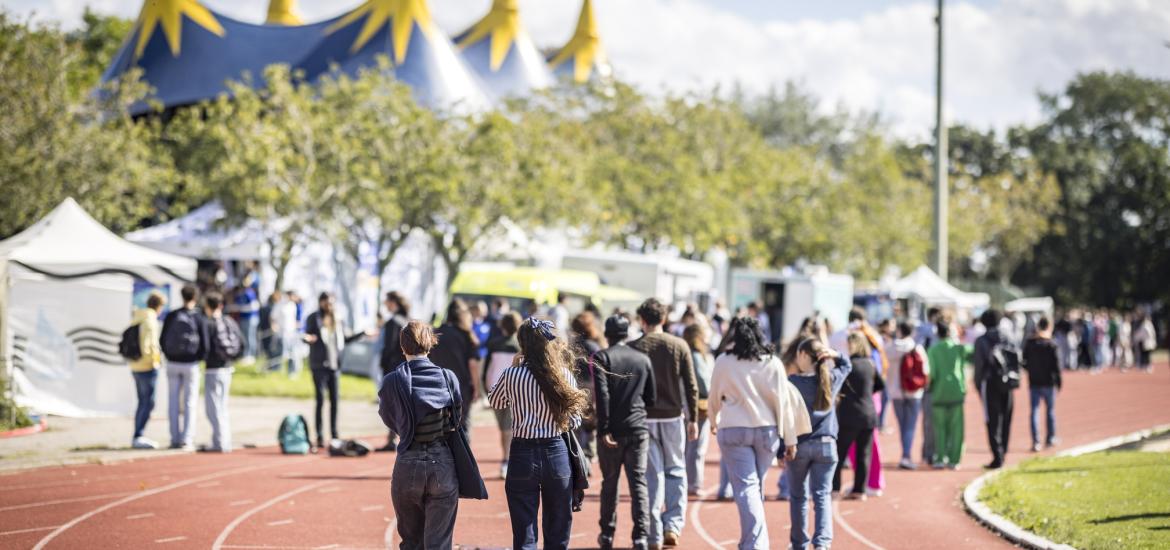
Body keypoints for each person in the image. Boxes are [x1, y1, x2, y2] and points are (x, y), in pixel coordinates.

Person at [709, 317, 811, 550]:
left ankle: (754, 544)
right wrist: (791, 439)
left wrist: (713, 419)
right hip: (767, 431)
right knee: (754, 488)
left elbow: (715, 392)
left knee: (747, 489)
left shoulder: (724, 361)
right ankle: (752, 541)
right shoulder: (773, 363)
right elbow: (783, 403)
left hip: (733, 429)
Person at [489, 318, 589, 550]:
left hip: (522, 452)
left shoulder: (512, 374)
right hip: (556, 452)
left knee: (524, 529)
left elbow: (495, 400)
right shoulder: (563, 375)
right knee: (558, 527)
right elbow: (574, 420)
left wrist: (514, 368)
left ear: (522, 344)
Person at [379, 321, 462, 550]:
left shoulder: (392, 381)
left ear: (402, 346)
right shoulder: (448, 378)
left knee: (411, 542)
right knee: (439, 543)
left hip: (407, 460)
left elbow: (386, 415)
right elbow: (456, 417)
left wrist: (405, 429)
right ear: (430, 343)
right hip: (442, 462)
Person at [629, 298, 699, 549]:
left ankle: (654, 532)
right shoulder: (678, 345)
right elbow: (690, 385)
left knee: (651, 475)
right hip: (672, 417)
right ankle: (673, 525)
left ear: (642, 321)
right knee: (676, 470)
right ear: (664, 319)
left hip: (643, 418)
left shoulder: (633, 347)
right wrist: (693, 418)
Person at [594, 315, 656, 550]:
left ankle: (607, 534)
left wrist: (604, 428)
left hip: (613, 431)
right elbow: (651, 398)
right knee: (638, 482)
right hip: (638, 428)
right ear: (626, 332)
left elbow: (602, 396)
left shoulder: (601, 357)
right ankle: (641, 535)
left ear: (607, 334)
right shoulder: (643, 359)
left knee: (610, 483)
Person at [787, 337, 850, 550]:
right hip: (826, 444)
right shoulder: (831, 378)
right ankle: (822, 544)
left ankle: (799, 544)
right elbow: (847, 364)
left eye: (798, 354)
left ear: (805, 356)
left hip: (800, 445)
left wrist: (781, 447)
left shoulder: (793, 383)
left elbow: (785, 417)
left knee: (798, 497)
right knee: (822, 496)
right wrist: (834, 354)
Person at [304, 292, 365, 448]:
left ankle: (334, 434)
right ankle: (318, 435)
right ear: (321, 302)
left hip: (334, 365)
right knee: (320, 400)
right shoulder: (314, 318)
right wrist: (307, 339)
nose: (329, 305)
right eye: (326, 302)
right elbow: (307, 334)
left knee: (335, 401)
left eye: (331, 302)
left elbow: (346, 338)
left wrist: (362, 333)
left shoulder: (338, 319)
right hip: (318, 365)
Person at [160, 284, 210, 451]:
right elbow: (205, 342)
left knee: (173, 401)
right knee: (190, 402)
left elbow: (162, 339)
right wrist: (199, 358)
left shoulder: (172, 315)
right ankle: (187, 438)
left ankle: (174, 437)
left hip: (173, 362)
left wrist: (168, 355)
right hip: (191, 364)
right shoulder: (199, 317)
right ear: (195, 298)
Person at [833, 332, 883, 498]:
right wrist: (866, 393)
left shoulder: (848, 365)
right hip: (868, 413)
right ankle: (859, 490)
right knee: (864, 454)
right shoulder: (871, 364)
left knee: (839, 453)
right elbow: (880, 385)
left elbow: (836, 386)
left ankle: (835, 487)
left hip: (849, 414)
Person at [973, 309, 1018, 470]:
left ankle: (997, 455)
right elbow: (1016, 358)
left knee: (992, 420)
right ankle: (1003, 452)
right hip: (1007, 382)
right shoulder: (1009, 336)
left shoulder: (981, 341)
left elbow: (978, 366)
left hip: (990, 382)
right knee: (1006, 416)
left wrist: (978, 384)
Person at [431, 299, 482, 434]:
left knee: (441, 425)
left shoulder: (437, 333)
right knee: (462, 423)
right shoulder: (466, 334)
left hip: (439, 384)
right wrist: (477, 387)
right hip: (462, 386)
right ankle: (463, 454)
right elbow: (473, 364)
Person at [202, 292, 243, 453]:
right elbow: (242, 343)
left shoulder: (209, 323)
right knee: (223, 407)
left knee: (213, 409)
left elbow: (205, 347)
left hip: (212, 369)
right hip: (228, 368)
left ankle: (219, 442)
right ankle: (224, 440)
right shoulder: (230, 321)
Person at [927, 319, 970, 469]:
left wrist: (929, 387)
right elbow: (970, 352)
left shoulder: (933, 350)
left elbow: (931, 373)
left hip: (939, 392)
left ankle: (940, 457)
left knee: (939, 428)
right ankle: (954, 460)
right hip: (956, 391)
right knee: (957, 428)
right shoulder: (958, 348)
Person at [485, 311, 523, 479]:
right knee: (507, 428)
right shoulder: (520, 345)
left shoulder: (493, 343)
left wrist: (484, 387)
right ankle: (508, 459)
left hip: (495, 388)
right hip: (514, 388)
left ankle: (507, 460)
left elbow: (487, 367)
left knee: (505, 428)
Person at [887, 321, 929, 469]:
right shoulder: (917, 348)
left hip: (896, 392)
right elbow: (925, 370)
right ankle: (906, 456)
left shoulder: (890, 348)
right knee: (910, 426)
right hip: (914, 392)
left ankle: (905, 454)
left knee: (902, 425)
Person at [129, 291, 166, 449]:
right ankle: (139, 435)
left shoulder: (138, 317)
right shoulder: (150, 321)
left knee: (142, 401)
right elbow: (148, 346)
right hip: (146, 366)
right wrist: (155, 361)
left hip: (135, 365)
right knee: (148, 402)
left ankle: (138, 434)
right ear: (159, 306)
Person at [683, 322, 714, 498]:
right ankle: (693, 483)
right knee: (696, 447)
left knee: (690, 446)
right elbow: (704, 382)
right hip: (698, 406)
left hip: (689, 405)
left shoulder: (690, 354)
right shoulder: (696, 356)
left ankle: (690, 481)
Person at [377, 291, 411, 452]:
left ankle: (394, 438)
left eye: (387, 302)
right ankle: (398, 437)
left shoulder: (393, 322)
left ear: (393, 302)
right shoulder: (408, 321)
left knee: (392, 406)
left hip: (393, 368)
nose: (385, 305)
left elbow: (389, 348)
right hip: (407, 367)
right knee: (403, 405)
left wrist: (383, 366)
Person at [571, 311, 606, 464]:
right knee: (591, 422)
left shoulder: (572, 345)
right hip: (591, 385)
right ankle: (589, 454)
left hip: (576, 384)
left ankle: (579, 453)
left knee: (578, 421)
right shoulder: (594, 346)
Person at [1023, 317, 1061, 452]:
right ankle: (1050, 438)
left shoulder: (1030, 342)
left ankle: (1036, 441)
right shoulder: (1051, 343)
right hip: (1048, 382)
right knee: (1050, 411)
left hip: (1034, 381)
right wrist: (1058, 381)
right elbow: (1056, 365)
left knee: (1034, 411)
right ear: (1049, 326)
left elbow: (1024, 361)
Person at [231, 275, 261, 360]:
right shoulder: (242, 293)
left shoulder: (249, 292)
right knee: (245, 337)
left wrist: (241, 308)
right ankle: (246, 354)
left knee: (250, 337)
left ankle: (251, 355)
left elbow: (254, 306)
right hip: (244, 317)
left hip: (250, 317)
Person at [258, 291, 284, 372]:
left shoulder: (263, 307)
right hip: (270, 332)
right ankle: (273, 367)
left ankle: (272, 367)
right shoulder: (272, 308)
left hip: (265, 330)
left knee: (268, 350)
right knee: (272, 350)